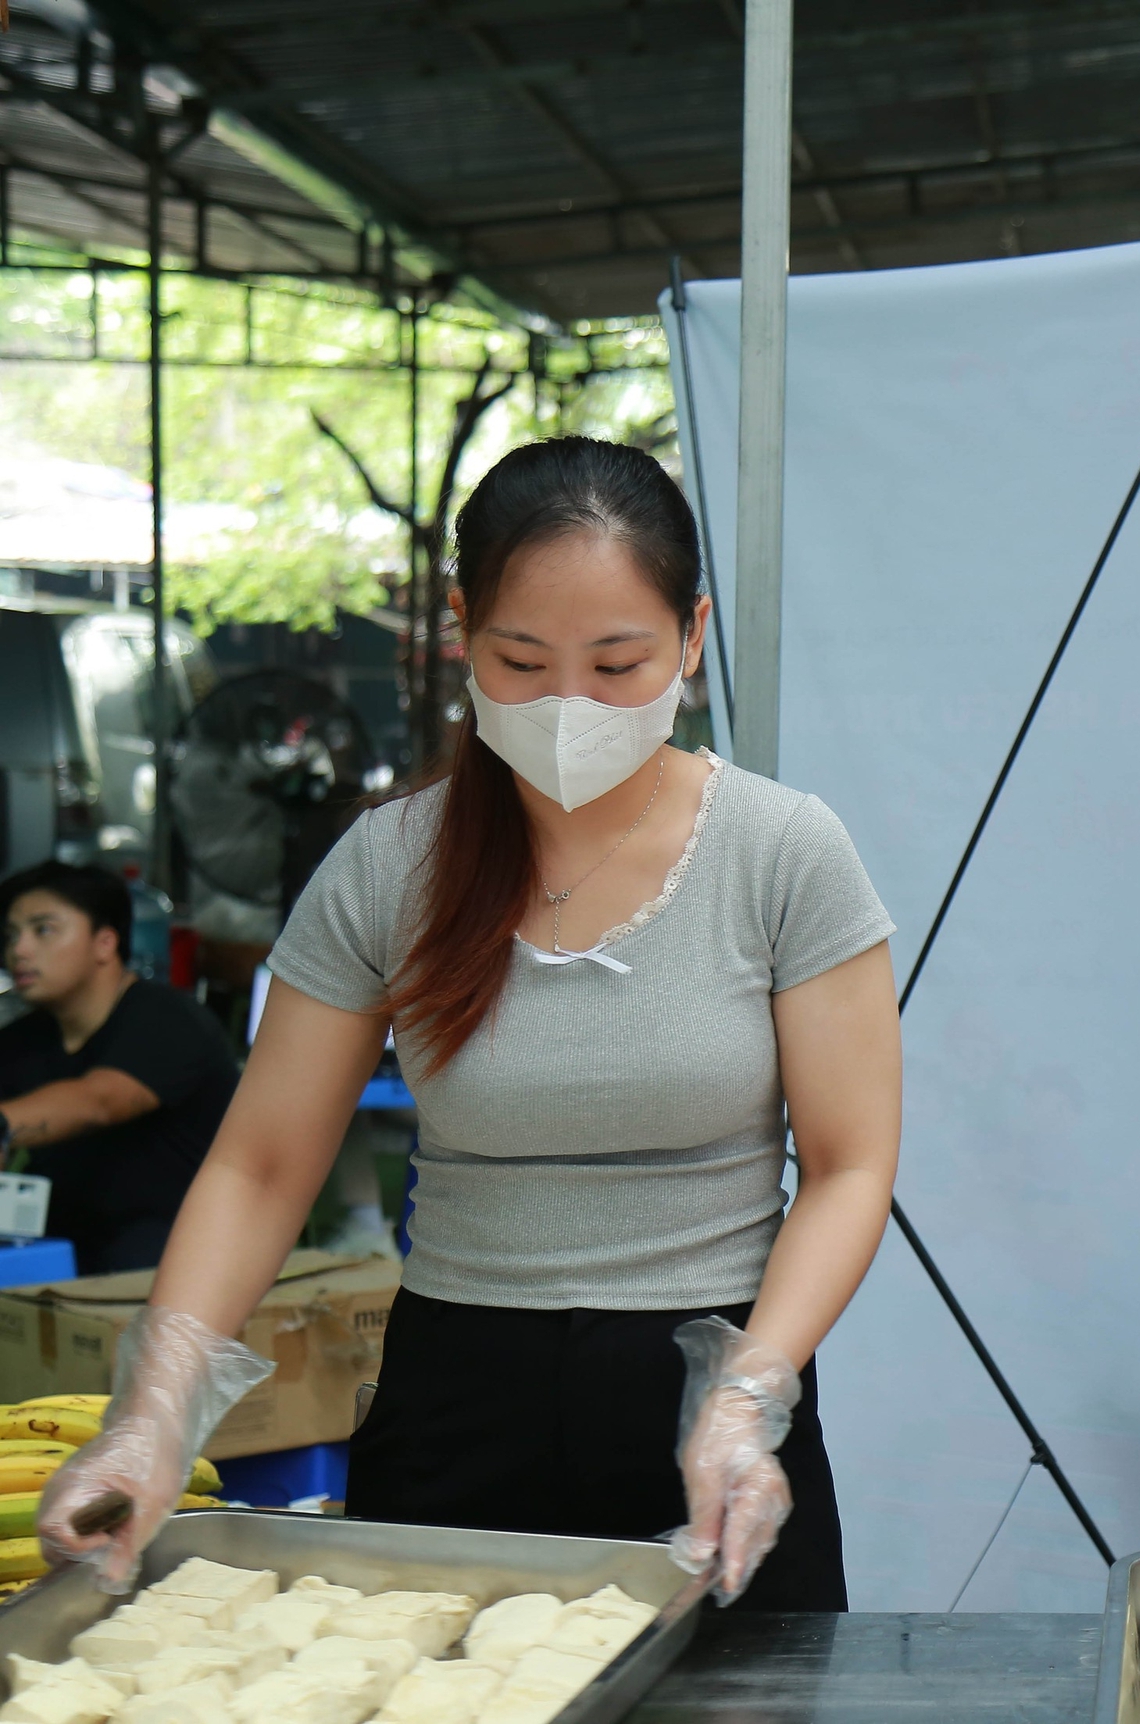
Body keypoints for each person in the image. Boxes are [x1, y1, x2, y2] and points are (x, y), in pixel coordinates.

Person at [41, 438, 903, 1609]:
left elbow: (850, 1163)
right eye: (522, 659)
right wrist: (156, 1405)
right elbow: (259, 1163)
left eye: (616, 663)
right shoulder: (388, 864)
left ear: (691, 637)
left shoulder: (781, 851)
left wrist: (750, 1392)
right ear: (461, 633)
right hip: (455, 1400)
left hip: (712, 1405)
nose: (569, 706)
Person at [0, 862, 238, 1274]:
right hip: (69, 1237)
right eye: (11, 936)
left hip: (180, 1245)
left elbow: (101, 1099)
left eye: (43, 930)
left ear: (105, 942)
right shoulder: (20, 1040)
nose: (18, 950)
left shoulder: (169, 1018)